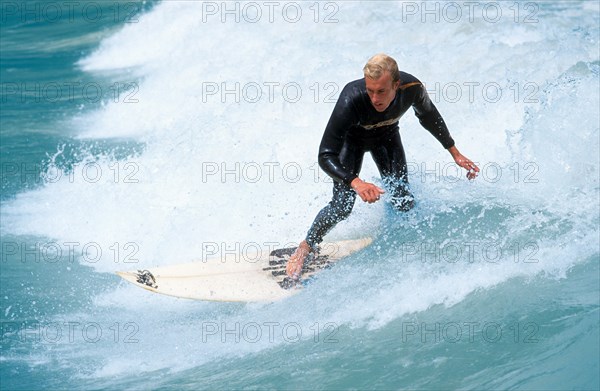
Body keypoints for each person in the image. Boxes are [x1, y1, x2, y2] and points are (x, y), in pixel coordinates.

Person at [285, 53, 480, 280]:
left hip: (386, 138)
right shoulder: (351, 99)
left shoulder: (413, 88)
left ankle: (399, 244)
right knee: (342, 207)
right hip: (352, 143)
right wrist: (356, 182)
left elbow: (428, 115)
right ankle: (305, 247)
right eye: (370, 90)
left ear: (396, 85)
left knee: (403, 200)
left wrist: (454, 151)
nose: (375, 98)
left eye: (381, 91)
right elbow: (325, 155)